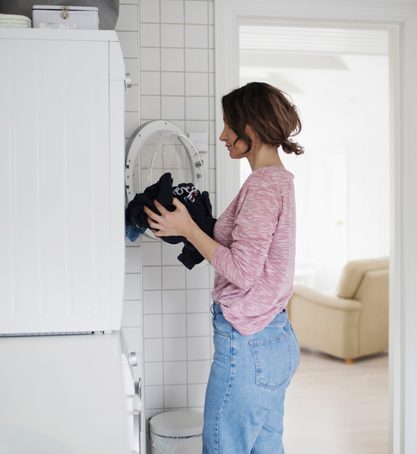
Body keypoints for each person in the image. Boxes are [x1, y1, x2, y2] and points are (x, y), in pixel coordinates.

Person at [144, 81, 303, 453]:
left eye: (229, 125)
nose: (222, 135)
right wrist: (194, 223)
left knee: (223, 447)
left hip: (248, 344)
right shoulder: (279, 182)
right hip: (274, 337)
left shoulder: (262, 187)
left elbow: (243, 271)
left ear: (251, 129)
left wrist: (186, 228)